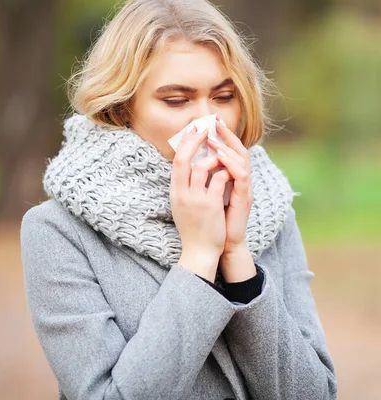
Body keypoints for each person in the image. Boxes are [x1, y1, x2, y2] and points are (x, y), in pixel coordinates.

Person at [20, 0, 337, 399]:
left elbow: (315, 394)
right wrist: (200, 256)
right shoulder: (58, 231)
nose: (208, 122)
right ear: (121, 108)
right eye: (176, 100)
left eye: (223, 97)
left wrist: (237, 253)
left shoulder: (269, 209)